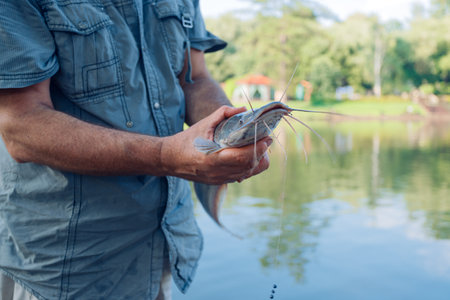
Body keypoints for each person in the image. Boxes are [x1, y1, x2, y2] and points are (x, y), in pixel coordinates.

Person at [0, 0, 271, 299]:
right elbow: (21, 125)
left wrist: (228, 130)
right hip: (67, 265)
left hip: (164, 245)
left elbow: (195, 79)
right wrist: (165, 156)